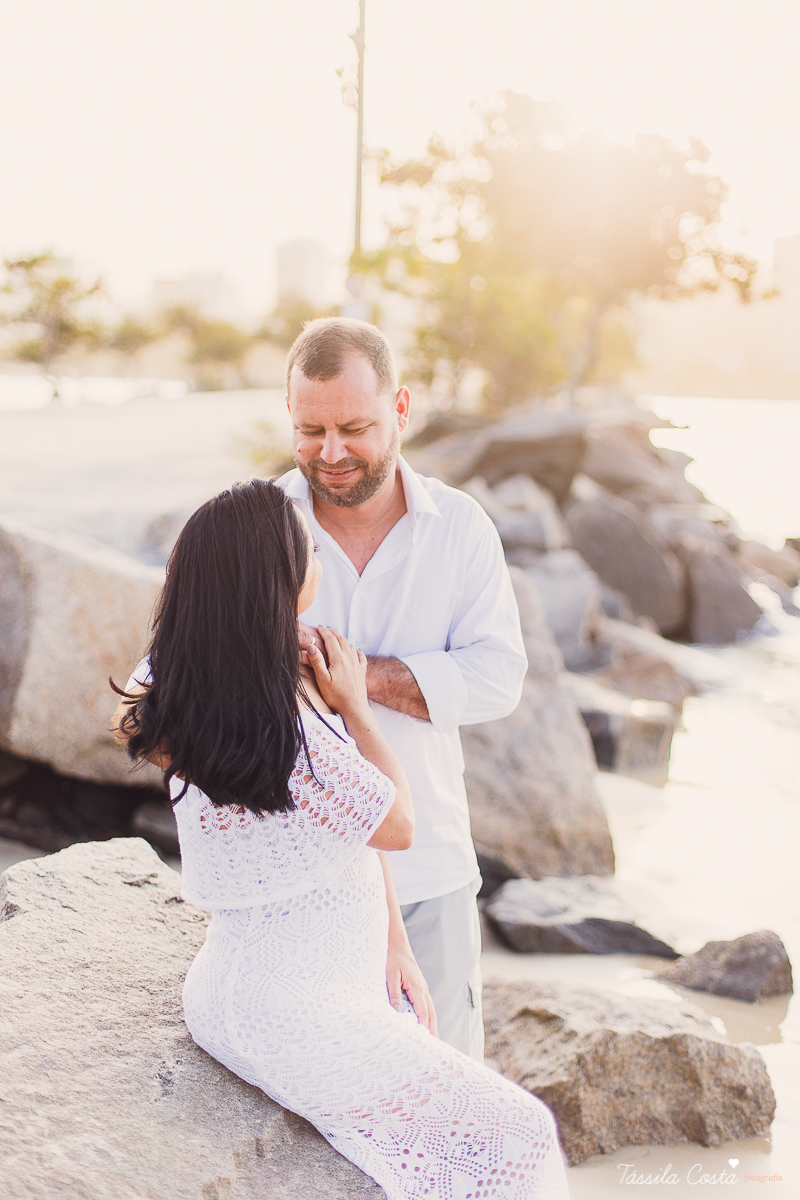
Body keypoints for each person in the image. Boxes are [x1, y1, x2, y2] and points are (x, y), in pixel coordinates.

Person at [113, 479, 568, 1199]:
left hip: (300, 984)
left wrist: (393, 942)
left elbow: (353, 840)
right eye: (305, 547)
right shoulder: (286, 719)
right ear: (280, 579)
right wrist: (355, 704)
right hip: (290, 1004)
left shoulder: (233, 692)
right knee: (520, 1135)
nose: (315, 554)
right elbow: (394, 822)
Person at [279, 317, 528, 1059]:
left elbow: (499, 677)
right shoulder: (251, 525)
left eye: (353, 427)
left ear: (402, 409)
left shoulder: (461, 528)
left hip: (431, 875)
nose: (330, 454)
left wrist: (355, 678)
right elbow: (156, 693)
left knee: (447, 1102)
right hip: (293, 887)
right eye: (309, 430)